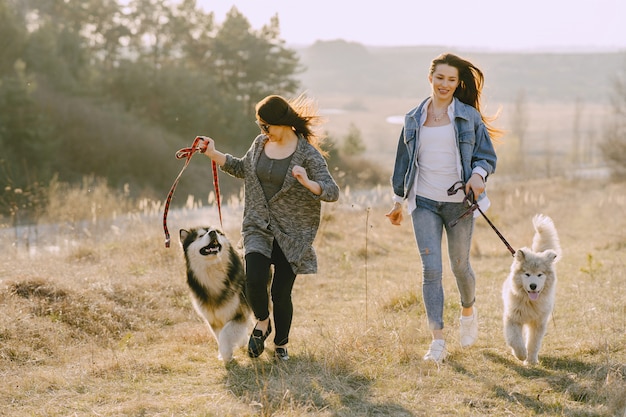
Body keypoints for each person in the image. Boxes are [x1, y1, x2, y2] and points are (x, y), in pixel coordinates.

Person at [198, 94, 340, 361]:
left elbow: (332, 191)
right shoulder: (260, 143)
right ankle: (262, 322)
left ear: (282, 123)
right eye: (259, 126)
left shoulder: (307, 155)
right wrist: (213, 154)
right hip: (257, 226)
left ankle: (281, 345)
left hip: (292, 233)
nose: (263, 131)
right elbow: (242, 168)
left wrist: (308, 183)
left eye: (266, 126)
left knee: (280, 293)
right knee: (253, 279)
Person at [386, 53, 503, 363]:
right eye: (440, 78)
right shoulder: (413, 118)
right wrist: (399, 202)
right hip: (423, 202)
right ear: (430, 78)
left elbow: (486, 156)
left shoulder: (468, 117)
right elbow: (403, 164)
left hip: (459, 206)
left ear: (458, 82)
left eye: (452, 80)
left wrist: (478, 176)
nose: (445, 84)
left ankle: (468, 311)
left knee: (460, 266)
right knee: (431, 269)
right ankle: (437, 341)